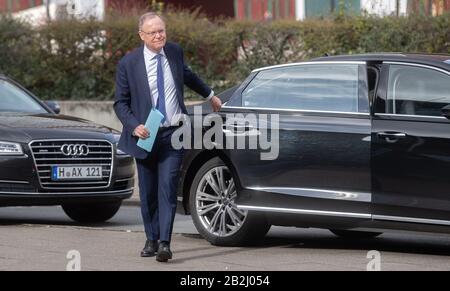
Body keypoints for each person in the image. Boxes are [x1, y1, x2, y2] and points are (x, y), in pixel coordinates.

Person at [114, 12, 222, 262]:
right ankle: (151, 238)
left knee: (168, 188)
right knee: (149, 191)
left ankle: (165, 242)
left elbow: (187, 75)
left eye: (161, 30)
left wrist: (211, 95)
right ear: (142, 35)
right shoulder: (128, 64)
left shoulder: (174, 52)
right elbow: (120, 103)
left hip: (173, 133)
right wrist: (134, 125)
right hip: (146, 134)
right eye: (153, 32)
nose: (159, 35)